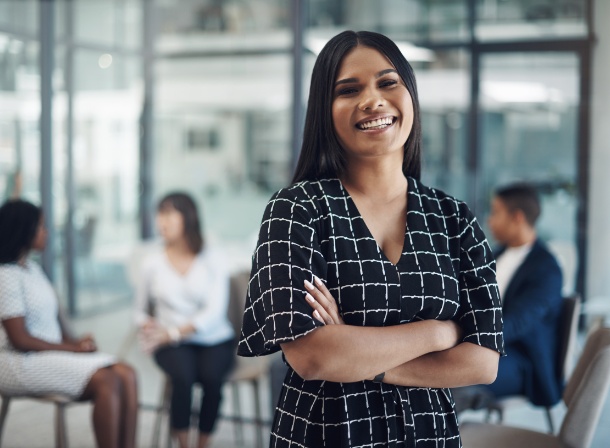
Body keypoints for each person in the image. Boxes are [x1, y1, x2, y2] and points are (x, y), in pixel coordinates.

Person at [238, 30, 504, 447]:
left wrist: (361, 355)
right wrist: (437, 334)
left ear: (409, 93)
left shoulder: (455, 219)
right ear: (324, 111)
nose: (372, 100)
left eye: (387, 82)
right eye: (348, 90)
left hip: (429, 436)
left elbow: (482, 363)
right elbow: (313, 356)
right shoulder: (296, 210)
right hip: (326, 435)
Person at [0, 199, 138, 448]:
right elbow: (20, 340)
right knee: (107, 380)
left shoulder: (32, 269)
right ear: (24, 231)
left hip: (47, 353)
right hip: (17, 361)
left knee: (127, 374)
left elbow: (51, 320)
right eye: (41, 226)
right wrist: (74, 350)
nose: (46, 232)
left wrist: (75, 341)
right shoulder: (6, 275)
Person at [134, 192, 234, 448]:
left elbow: (215, 312)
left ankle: (203, 442)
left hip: (213, 338)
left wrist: (175, 332)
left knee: (212, 378)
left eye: (168, 214)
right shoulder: (151, 263)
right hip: (171, 343)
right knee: (183, 378)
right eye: (159, 214)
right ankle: (183, 444)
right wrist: (146, 324)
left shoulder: (213, 256)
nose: (161, 222)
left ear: (188, 218)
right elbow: (140, 310)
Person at [456, 183, 563, 413]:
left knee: (446, 381)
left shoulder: (547, 269)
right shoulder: (495, 255)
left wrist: (465, 339)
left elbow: (518, 322)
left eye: (495, 212)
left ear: (517, 217)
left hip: (521, 361)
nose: (490, 220)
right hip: (485, 346)